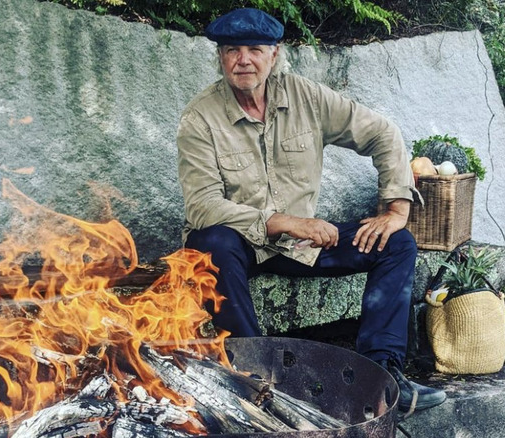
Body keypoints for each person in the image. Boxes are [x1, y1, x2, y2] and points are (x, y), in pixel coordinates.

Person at [175, 8, 446, 412]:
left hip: (302, 247)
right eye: (232, 50)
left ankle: (380, 380)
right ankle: (256, 379)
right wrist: (281, 222)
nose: (243, 59)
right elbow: (201, 206)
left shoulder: (305, 96)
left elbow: (382, 133)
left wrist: (396, 208)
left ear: (274, 54)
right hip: (242, 248)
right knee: (208, 241)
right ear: (221, 57)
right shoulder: (200, 117)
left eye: (254, 49)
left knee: (398, 243)